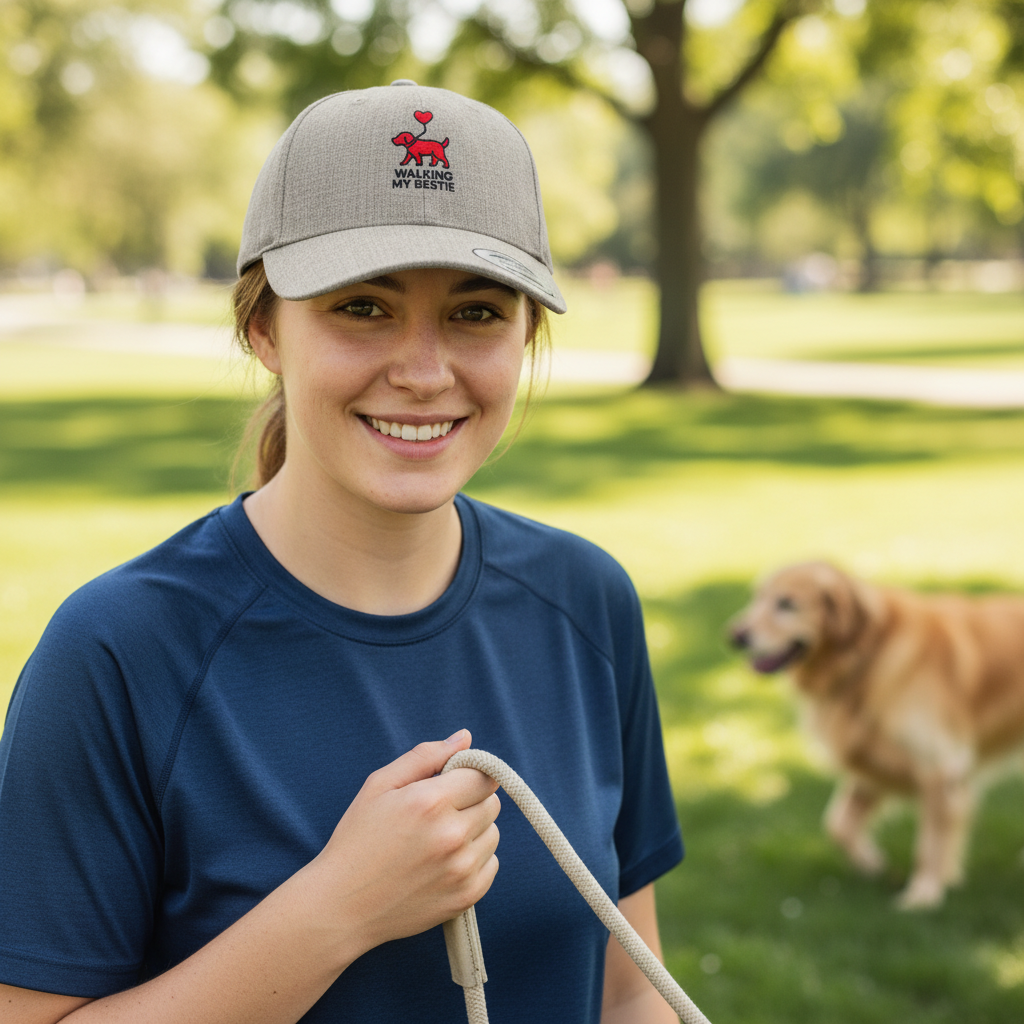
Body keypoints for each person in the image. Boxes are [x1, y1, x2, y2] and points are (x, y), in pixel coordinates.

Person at [0, 82, 683, 1023]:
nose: (422, 370)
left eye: (477, 312)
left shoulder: (586, 602)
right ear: (263, 327)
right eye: (363, 306)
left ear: (527, 334)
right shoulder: (119, 652)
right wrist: (339, 909)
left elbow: (627, 993)